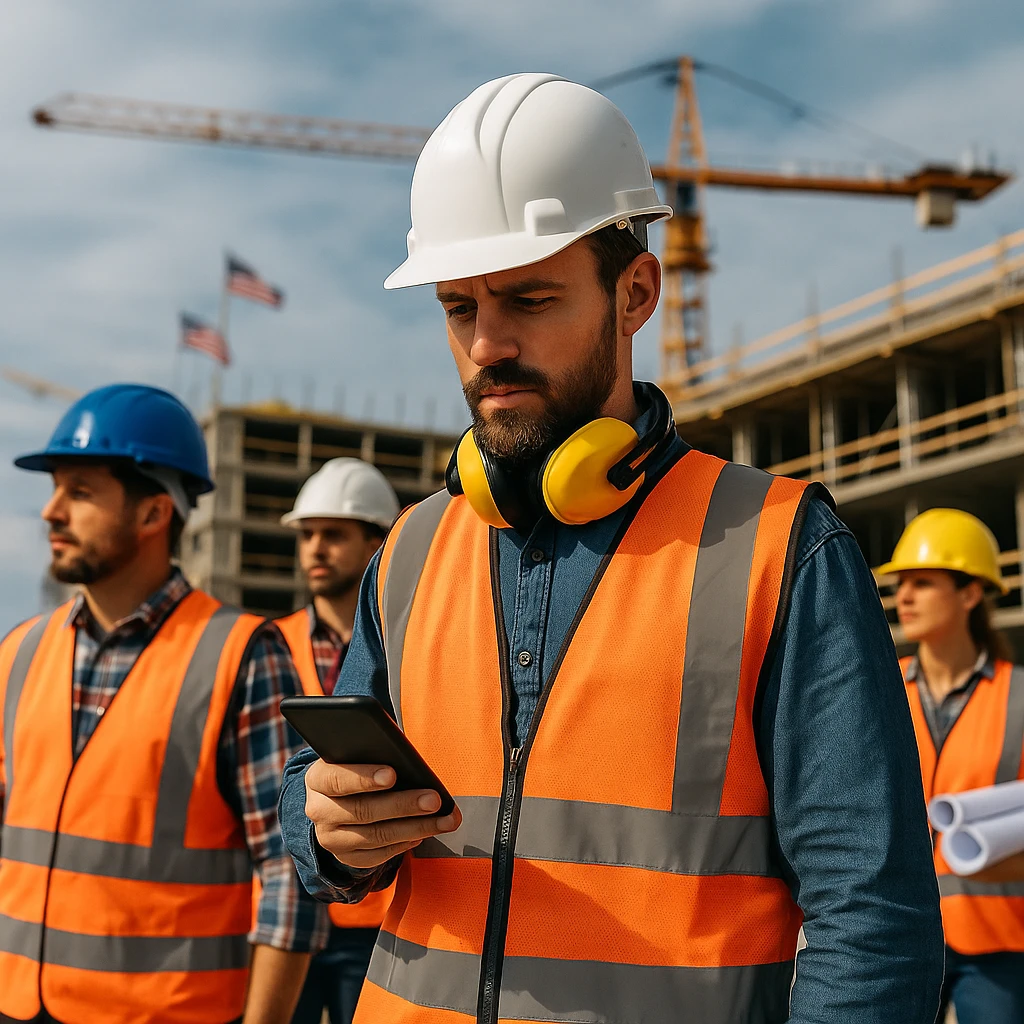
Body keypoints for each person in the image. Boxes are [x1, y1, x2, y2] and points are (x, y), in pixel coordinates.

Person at [279, 74, 944, 1024]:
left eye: (529, 298)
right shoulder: (413, 550)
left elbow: (872, 920)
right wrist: (331, 830)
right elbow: (310, 812)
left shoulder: (780, 548)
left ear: (635, 294)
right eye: (459, 308)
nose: (486, 345)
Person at [0, 384, 327, 1024]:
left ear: (153, 514)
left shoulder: (240, 654)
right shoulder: (19, 651)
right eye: (56, 490)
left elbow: (289, 872)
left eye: (80, 492)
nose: (51, 512)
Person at [880, 508, 1024, 1023]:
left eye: (923, 582)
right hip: (900, 932)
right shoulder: (880, 688)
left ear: (971, 594)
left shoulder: (1019, 696)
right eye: (900, 584)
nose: (904, 597)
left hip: (998, 942)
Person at [276, 457, 400, 1024]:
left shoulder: (403, 650)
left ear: (376, 544)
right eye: (307, 535)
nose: (315, 549)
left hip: (377, 914)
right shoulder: (268, 645)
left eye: (333, 534)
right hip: (284, 910)